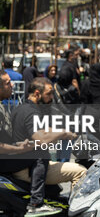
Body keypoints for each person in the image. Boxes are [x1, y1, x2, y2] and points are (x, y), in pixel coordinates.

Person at [10, 77, 85, 215]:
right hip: (29, 167)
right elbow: (41, 139)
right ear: (37, 93)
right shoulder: (31, 112)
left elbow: (42, 130)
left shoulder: (22, 107)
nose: (52, 97)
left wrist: (65, 131)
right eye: (49, 94)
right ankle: (77, 212)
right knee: (80, 171)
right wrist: (63, 134)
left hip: (26, 163)